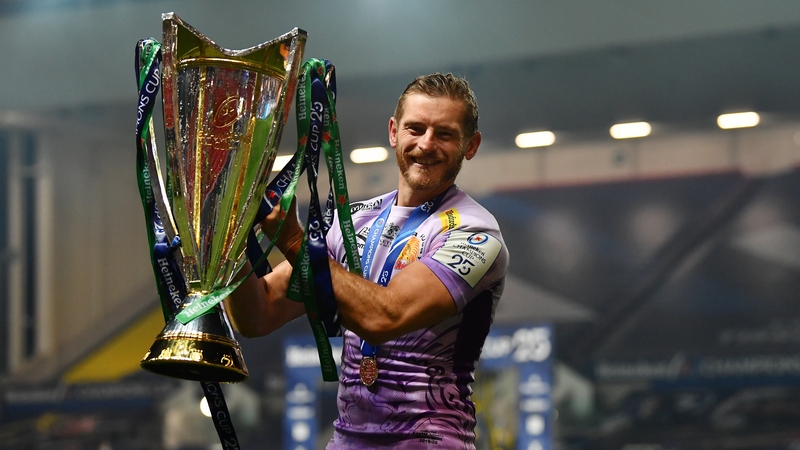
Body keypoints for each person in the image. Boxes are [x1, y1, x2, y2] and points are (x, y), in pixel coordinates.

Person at [226, 73, 509, 449]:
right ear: (394, 132)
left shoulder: (476, 235)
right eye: (416, 128)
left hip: (428, 440)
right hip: (346, 439)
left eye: (444, 134)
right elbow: (259, 313)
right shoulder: (354, 221)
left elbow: (384, 318)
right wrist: (229, 243)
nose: (426, 144)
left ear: (470, 145)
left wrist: (293, 240)